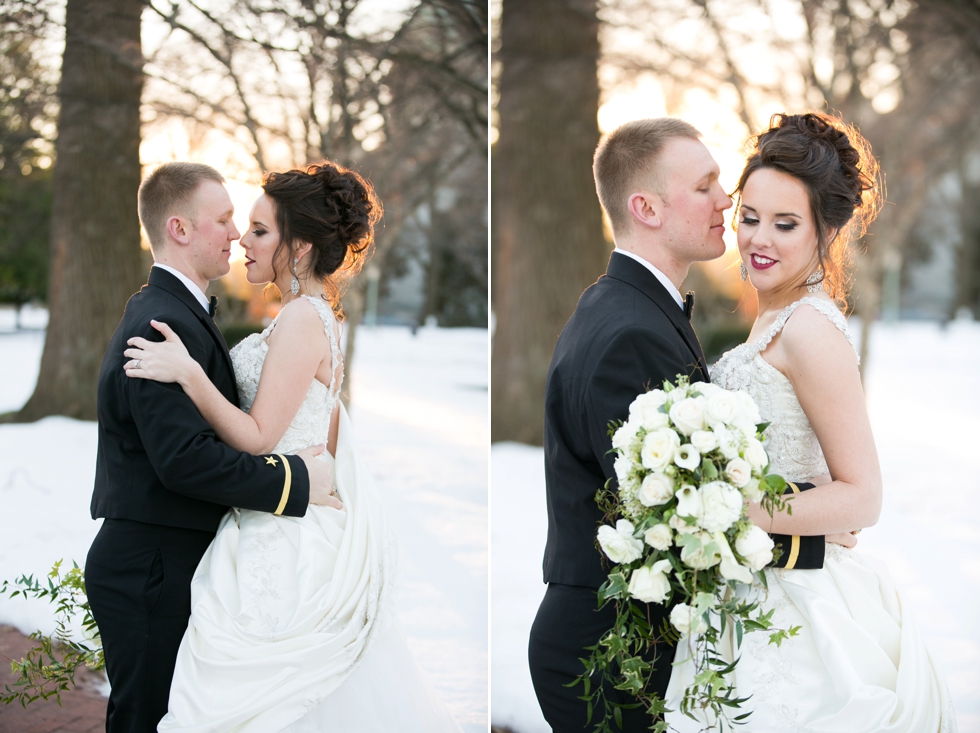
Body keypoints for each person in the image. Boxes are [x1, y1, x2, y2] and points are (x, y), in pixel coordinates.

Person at [121, 161, 464, 732]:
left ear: (300, 246)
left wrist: (189, 372)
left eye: (258, 230)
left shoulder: (304, 318)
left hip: (282, 535)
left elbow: (258, 436)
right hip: (284, 510)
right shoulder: (313, 316)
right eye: (241, 227)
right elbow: (323, 433)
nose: (242, 241)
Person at [528, 118, 834, 732]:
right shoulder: (632, 333)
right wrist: (813, 526)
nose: (727, 200)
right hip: (608, 655)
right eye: (705, 185)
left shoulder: (627, 306)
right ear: (646, 207)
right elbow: (660, 516)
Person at [664, 112, 956, 732]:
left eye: (785, 224)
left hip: (803, 609)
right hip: (752, 589)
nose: (758, 239)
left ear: (826, 231)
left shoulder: (810, 330)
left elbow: (862, 495)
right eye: (749, 217)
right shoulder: (774, 318)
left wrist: (734, 509)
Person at [86, 162, 340, 733]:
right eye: (225, 220)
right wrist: (299, 481)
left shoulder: (182, 317)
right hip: (150, 568)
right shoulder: (159, 326)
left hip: (177, 563)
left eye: (247, 224)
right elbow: (185, 461)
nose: (234, 234)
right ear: (179, 229)